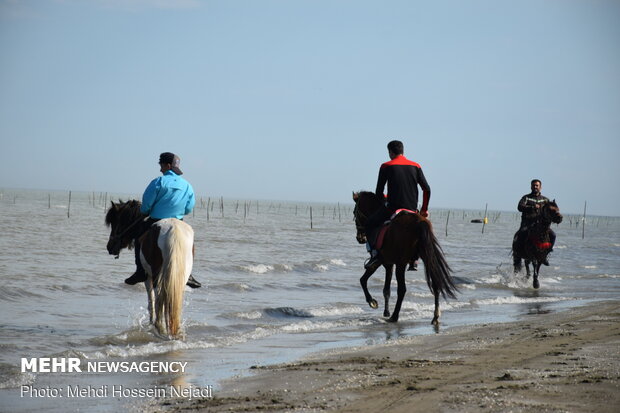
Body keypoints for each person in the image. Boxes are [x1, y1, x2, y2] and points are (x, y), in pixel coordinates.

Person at [124, 152, 202, 288]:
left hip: (156, 219)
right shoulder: (187, 185)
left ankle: (140, 272)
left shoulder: (158, 182)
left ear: (167, 165)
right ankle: (188, 274)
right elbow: (189, 208)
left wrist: (145, 212)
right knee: (189, 243)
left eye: (161, 165)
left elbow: (146, 206)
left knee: (138, 238)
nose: (160, 169)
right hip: (179, 220)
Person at [364, 140, 431, 269]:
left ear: (390, 152)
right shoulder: (416, 166)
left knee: (370, 223)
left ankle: (374, 255)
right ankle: (415, 259)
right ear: (402, 151)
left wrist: (385, 199)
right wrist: (424, 209)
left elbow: (379, 192)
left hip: (393, 208)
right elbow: (427, 189)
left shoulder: (386, 166)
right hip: (412, 209)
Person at [514, 179, 556, 266]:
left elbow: (550, 211)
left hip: (541, 226)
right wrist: (532, 207)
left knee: (553, 235)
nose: (535, 187)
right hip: (527, 224)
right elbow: (520, 207)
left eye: (537, 185)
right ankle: (517, 252)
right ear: (531, 186)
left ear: (540, 187)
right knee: (520, 234)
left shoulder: (545, 200)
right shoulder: (526, 198)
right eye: (533, 185)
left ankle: (546, 255)